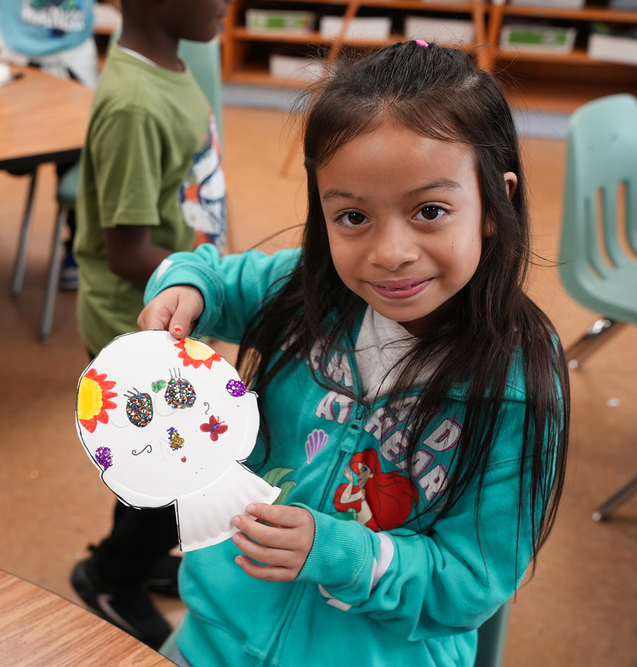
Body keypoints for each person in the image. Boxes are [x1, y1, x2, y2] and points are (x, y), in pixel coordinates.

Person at [137, 40, 571, 667]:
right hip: (217, 634)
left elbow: (470, 583)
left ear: (493, 207)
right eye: (352, 217)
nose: (390, 252)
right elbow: (209, 274)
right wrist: (183, 288)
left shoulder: (515, 385)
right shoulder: (309, 288)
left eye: (430, 211)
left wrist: (340, 554)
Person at [68, 0, 229, 650]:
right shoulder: (135, 103)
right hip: (134, 327)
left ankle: (134, 549)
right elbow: (125, 248)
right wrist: (217, 283)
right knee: (173, 468)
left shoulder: (170, 66)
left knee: (161, 457)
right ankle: (109, 575)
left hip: (175, 310)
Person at [0, 0, 101, 288]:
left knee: (77, 154)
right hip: (12, 59)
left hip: (71, 62)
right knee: (16, 160)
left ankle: (77, 245)